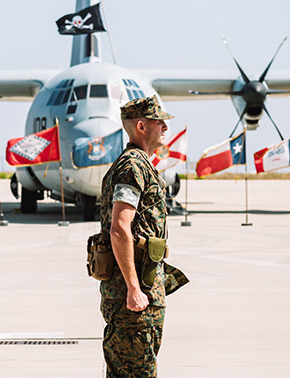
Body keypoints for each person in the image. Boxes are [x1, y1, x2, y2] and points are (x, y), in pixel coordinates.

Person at [99, 95, 189, 377]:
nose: (164, 126)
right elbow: (119, 228)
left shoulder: (140, 165)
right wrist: (133, 288)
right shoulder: (133, 167)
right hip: (134, 295)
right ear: (141, 126)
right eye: (158, 121)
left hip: (143, 287)